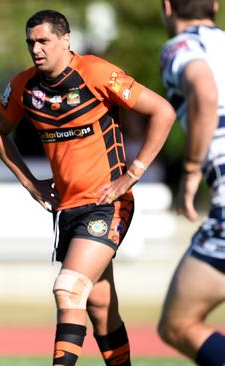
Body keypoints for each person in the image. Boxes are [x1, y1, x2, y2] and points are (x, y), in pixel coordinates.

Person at [0, 9, 176, 366]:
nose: (36, 49)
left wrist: (132, 173)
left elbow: (163, 111)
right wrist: (30, 183)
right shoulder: (25, 86)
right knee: (102, 309)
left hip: (108, 204)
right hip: (67, 210)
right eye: (31, 43)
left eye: (43, 41)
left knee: (68, 289)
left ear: (65, 40)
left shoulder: (96, 73)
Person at [157, 1, 225, 365]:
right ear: (215, 5)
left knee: (178, 324)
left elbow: (205, 89)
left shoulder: (181, 47)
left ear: (167, 7)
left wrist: (192, 168)